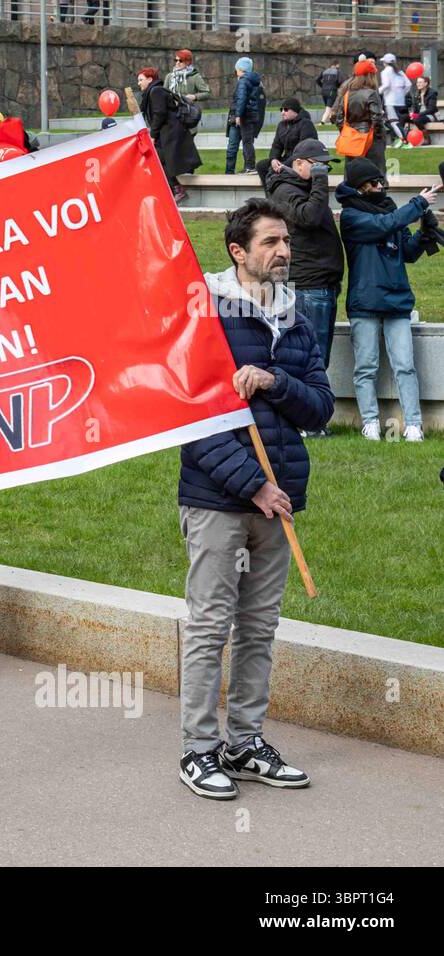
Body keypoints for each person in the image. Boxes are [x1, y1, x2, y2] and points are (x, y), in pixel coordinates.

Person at [178, 199, 333, 800]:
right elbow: (194, 419)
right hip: (220, 500)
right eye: (270, 242)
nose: (284, 251)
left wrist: (273, 380)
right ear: (238, 252)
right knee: (210, 625)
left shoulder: (294, 317)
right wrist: (254, 484)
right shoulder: (206, 314)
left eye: (286, 240)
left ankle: (245, 742)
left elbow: (319, 406)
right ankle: (198, 749)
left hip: (280, 499)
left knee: (259, 627)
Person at [336, 157, 438, 442]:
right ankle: (370, 422)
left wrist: (425, 232)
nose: (381, 186)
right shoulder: (351, 217)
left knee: (405, 366)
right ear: (360, 188)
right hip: (364, 303)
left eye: (381, 181)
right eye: (374, 183)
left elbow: (408, 252)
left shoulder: (391, 211)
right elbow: (383, 226)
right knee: (366, 367)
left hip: (397, 303)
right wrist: (418, 204)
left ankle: (414, 424)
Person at [262, 139, 344, 423]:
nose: (323, 170)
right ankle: (309, 421)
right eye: (317, 165)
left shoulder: (300, 187)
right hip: (309, 284)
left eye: (326, 166)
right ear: (298, 164)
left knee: (317, 358)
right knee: (314, 360)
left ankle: (310, 420)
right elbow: (308, 217)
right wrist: (321, 182)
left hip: (320, 283)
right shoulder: (286, 190)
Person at [138, 67, 200, 205]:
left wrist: (152, 135)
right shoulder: (153, 91)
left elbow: (159, 113)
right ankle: (175, 189)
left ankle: (177, 190)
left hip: (170, 132)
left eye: (141, 80)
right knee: (161, 160)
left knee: (160, 160)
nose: (139, 83)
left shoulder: (156, 91)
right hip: (167, 132)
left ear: (150, 79)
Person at [332, 60, 388, 174]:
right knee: (375, 174)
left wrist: (347, 132)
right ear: (370, 75)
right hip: (370, 139)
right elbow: (377, 119)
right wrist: (378, 136)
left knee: (352, 174)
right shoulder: (371, 93)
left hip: (351, 138)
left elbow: (339, 119)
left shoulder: (347, 94)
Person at [256, 97, 317, 187]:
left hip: (300, 161)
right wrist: (274, 159)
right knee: (261, 166)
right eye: (281, 109)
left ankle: (280, 193)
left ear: (295, 111)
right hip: (286, 159)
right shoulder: (282, 125)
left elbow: (303, 151)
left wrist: (284, 165)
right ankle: (270, 196)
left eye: (286, 109)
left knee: (275, 171)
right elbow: (276, 146)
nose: (282, 112)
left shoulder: (306, 124)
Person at [226, 57, 266, 175]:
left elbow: (241, 98)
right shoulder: (255, 81)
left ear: (240, 69)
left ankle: (248, 167)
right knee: (247, 142)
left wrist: (238, 115)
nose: (235, 72)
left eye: (236, 69)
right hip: (251, 115)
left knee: (244, 143)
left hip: (244, 116)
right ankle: (248, 167)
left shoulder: (243, 81)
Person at [379, 54, 412, 146]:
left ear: (385, 63)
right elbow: (408, 84)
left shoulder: (385, 72)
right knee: (395, 122)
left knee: (393, 122)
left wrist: (377, 92)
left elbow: (386, 85)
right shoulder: (399, 72)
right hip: (400, 101)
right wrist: (401, 94)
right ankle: (402, 140)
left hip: (390, 101)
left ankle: (404, 141)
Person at [407, 74, 438, 140]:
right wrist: (412, 113)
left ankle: (427, 138)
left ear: (426, 83)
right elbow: (414, 106)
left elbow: (431, 109)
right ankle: (403, 138)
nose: (418, 84)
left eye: (420, 82)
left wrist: (417, 115)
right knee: (403, 117)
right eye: (417, 82)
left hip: (429, 115)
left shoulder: (432, 93)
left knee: (416, 119)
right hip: (418, 115)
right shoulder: (416, 93)